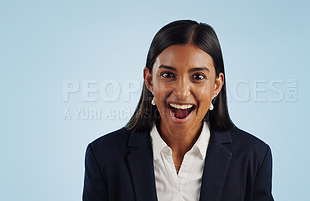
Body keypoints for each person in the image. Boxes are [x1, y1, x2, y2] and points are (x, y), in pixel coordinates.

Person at [83, 20, 274, 201]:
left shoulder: (253, 156)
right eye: (168, 75)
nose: (182, 92)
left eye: (198, 76)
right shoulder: (104, 156)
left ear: (216, 85)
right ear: (149, 80)